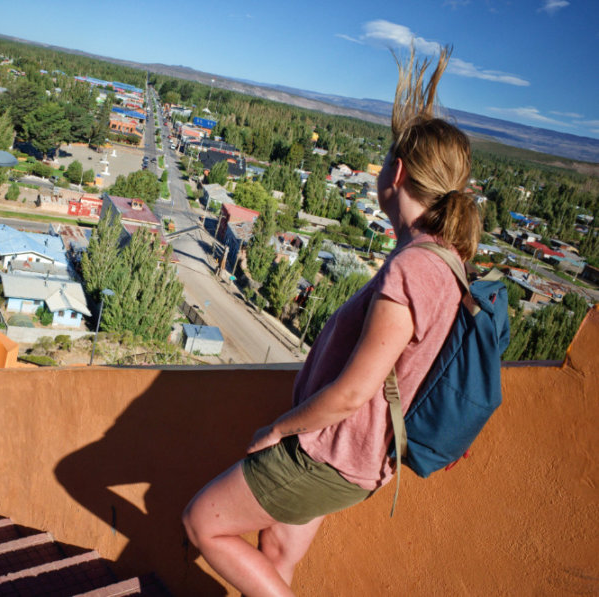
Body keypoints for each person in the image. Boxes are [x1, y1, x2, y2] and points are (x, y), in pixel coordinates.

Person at [182, 45, 483, 596]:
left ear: (393, 173)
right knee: (275, 557)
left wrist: (278, 430)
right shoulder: (447, 262)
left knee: (203, 523)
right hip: (355, 459)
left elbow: (353, 393)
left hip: (328, 452)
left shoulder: (414, 269)